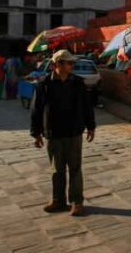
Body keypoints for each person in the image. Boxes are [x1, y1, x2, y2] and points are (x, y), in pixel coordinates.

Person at [31, 50, 96, 216]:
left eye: (72, 63)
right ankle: (58, 200)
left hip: (74, 131)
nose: (72, 66)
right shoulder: (44, 84)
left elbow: (86, 106)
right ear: (57, 64)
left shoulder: (78, 83)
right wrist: (36, 133)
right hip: (54, 133)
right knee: (57, 170)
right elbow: (36, 110)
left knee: (75, 168)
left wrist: (91, 126)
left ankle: (77, 201)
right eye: (69, 63)